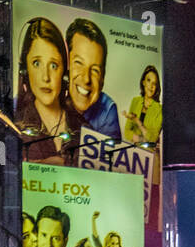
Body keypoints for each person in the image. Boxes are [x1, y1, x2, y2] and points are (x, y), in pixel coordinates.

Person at [15, 16, 82, 164]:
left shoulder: (83, 129)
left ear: (64, 73)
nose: (45, 77)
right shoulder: (16, 126)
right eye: (37, 63)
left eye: (53, 65)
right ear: (25, 70)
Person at [65, 16, 122, 141]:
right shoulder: (43, 96)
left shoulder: (107, 109)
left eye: (95, 70)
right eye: (79, 63)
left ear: (103, 78)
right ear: (66, 64)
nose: (86, 79)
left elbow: (108, 158)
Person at [124, 65, 163, 146]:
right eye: (148, 80)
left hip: (149, 154)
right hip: (133, 150)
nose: (151, 86)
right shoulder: (135, 101)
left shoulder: (160, 109)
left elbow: (153, 139)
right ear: (143, 82)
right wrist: (142, 140)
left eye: (154, 83)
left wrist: (137, 121)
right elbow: (126, 132)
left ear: (156, 87)